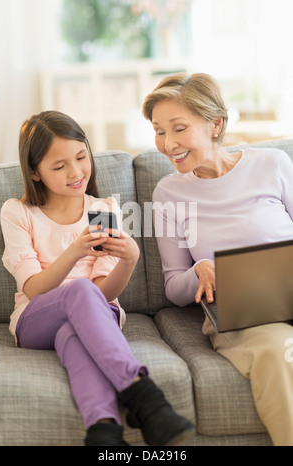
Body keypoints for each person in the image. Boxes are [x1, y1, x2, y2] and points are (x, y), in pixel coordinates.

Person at [0, 110, 193, 446]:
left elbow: (103, 293)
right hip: (35, 319)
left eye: (81, 157)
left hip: (97, 316)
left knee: (72, 332)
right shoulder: (17, 212)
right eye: (59, 167)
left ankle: (103, 430)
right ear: (34, 171)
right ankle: (143, 395)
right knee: (78, 291)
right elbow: (32, 289)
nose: (76, 173)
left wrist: (129, 258)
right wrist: (74, 251)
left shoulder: (102, 208)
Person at [143, 73, 293, 446]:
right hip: (244, 316)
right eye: (160, 131)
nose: (168, 143)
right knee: (278, 352)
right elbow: (175, 287)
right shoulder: (169, 194)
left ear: (215, 125)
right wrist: (200, 270)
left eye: (179, 128)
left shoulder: (273, 164)